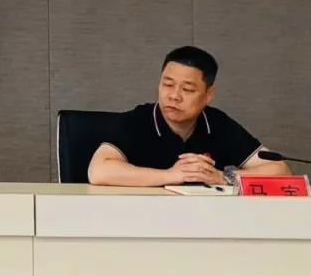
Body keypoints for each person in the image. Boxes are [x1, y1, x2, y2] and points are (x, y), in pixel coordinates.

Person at [88, 46, 290, 186]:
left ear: (208, 94)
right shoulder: (138, 120)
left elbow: (279, 170)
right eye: (167, 84)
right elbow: (99, 171)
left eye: (187, 89)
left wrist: (223, 177)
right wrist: (171, 175)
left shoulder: (217, 123)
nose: (174, 96)